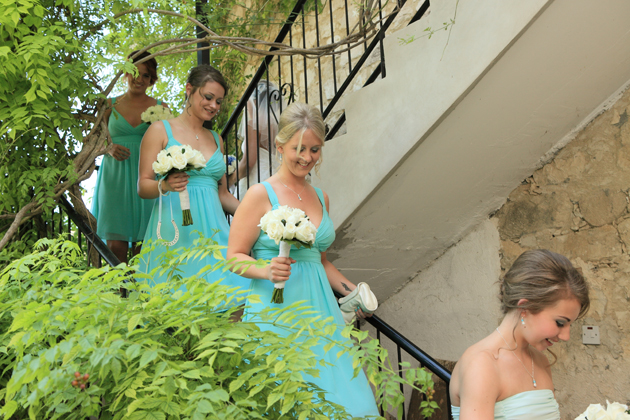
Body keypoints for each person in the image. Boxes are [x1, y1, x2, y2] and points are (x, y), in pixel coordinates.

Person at [226, 102, 380, 417]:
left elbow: (319, 261)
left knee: (353, 403)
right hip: (276, 311)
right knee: (288, 403)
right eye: (299, 148)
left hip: (322, 314)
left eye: (314, 149)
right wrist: (265, 269)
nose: (307, 157)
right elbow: (234, 258)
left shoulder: (321, 197)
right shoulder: (259, 194)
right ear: (280, 146)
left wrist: (354, 291)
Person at [137, 64, 249, 296]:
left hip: (215, 229)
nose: (213, 106)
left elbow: (223, 195)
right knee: (177, 302)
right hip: (176, 228)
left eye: (218, 101)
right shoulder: (160, 130)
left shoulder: (216, 139)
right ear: (189, 89)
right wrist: (165, 185)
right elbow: (143, 185)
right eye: (208, 97)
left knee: (236, 295)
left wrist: (255, 216)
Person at [449, 249, 590, 420]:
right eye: (560, 323)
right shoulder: (482, 364)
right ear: (525, 307)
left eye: (570, 324)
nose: (566, 336)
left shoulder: (540, 361)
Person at [92, 50, 167, 264]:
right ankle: (120, 294)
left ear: (151, 79)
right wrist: (108, 148)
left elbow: (170, 143)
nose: (139, 79)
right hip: (115, 176)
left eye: (146, 75)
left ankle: (142, 293)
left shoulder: (161, 108)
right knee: (116, 244)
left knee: (145, 243)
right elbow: (92, 142)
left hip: (147, 176)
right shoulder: (108, 105)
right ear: (125, 73)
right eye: (135, 72)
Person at [229, 81, 282, 198]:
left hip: (255, 182)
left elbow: (249, 162)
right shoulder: (275, 125)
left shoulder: (253, 123)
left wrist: (230, 179)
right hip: (273, 179)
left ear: (254, 101)